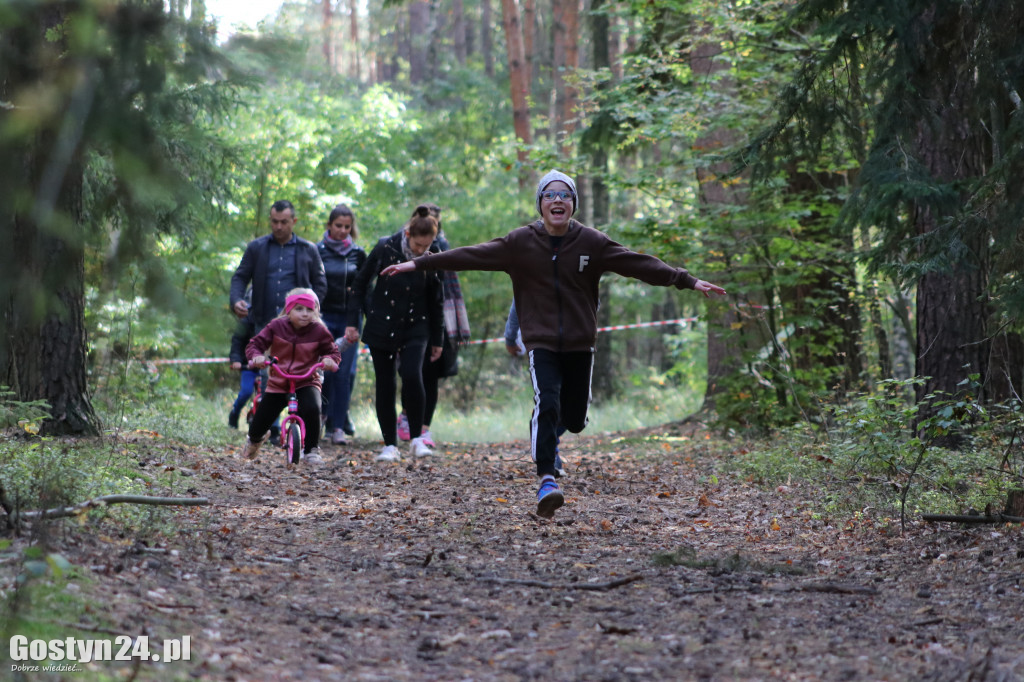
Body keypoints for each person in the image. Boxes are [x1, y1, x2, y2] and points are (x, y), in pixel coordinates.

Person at [380, 170, 727, 519]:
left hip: (580, 342)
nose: (557, 200)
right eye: (549, 194)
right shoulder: (520, 243)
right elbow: (469, 256)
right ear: (540, 204)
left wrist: (687, 280)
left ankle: (550, 435)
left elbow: (638, 264)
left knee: (575, 419)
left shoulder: (592, 242)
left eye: (565, 195)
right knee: (546, 400)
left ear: (573, 204)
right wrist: (417, 264)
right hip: (541, 341)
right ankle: (547, 478)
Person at [344, 205, 444, 462]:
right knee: (385, 382)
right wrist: (354, 321)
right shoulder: (385, 248)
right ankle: (390, 443)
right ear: (408, 233)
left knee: (412, 374)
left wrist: (438, 338)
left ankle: (416, 439)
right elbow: (359, 283)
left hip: (416, 324)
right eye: (418, 245)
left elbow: (437, 298)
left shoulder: (434, 254)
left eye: (427, 245)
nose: (422, 251)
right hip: (382, 323)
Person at [396, 203, 471, 447]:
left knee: (432, 374)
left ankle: (425, 428)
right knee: (409, 371)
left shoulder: (443, 247)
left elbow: (450, 283)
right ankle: (407, 415)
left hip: (441, 316)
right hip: (410, 317)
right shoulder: (401, 245)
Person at [243, 289, 340, 465]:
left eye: (309, 310)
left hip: (306, 379)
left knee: (313, 408)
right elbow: (255, 344)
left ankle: (311, 449)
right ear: (289, 310)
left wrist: (329, 360)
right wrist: (256, 356)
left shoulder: (319, 331)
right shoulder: (276, 326)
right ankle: (255, 439)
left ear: (315, 312)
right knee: (261, 419)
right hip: (280, 380)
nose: (305, 314)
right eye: (299, 309)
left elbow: (332, 351)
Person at [229, 199, 327, 332]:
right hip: (263, 323)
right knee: (262, 353)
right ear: (270, 220)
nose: (279, 226)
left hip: (298, 325)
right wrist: (236, 300)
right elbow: (240, 277)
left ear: (294, 221)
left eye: (284, 222)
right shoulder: (256, 248)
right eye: (275, 222)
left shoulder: (308, 249)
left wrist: (309, 309)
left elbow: (320, 284)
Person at [317, 204, 367, 445]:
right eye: (338, 226)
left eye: (347, 227)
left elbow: (364, 289)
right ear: (329, 225)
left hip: (349, 320)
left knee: (343, 374)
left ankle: (338, 426)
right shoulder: (316, 251)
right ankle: (320, 419)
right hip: (322, 318)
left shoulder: (358, 254)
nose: (343, 230)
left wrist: (358, 321)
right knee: (322, 369)